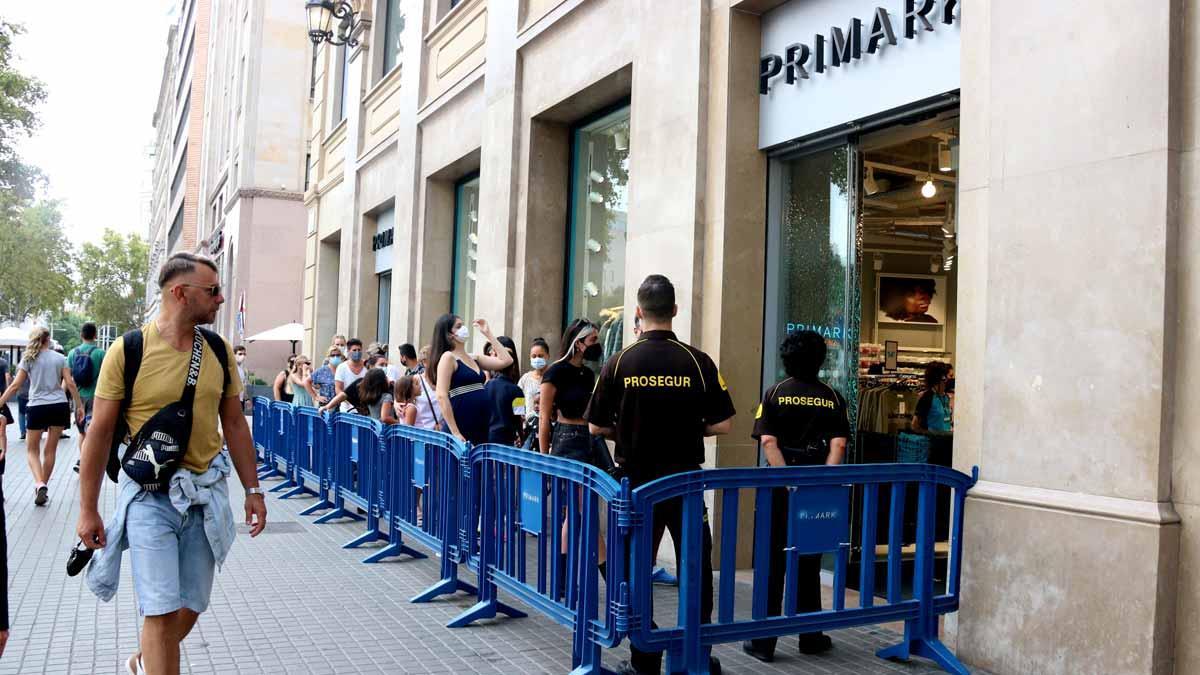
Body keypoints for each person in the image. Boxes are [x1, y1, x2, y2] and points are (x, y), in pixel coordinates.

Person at [75, 251, 266, 675]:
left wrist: (253, 490)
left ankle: (144, 659)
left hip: (204, 491)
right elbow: (99, 433)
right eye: (213, 291)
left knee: (192, 603)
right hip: (148, 497)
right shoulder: (129, 351)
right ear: (180, 293)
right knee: (159, 610)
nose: (220, 298)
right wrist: (87, 509)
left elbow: (234, 423)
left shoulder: (217, 350)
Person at [587, 274, 735, 675]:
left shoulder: (618, 362)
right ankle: (695, 654)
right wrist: (693, 428)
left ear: (638, 311)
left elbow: (596, 427)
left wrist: (629, 431)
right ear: (674, 310)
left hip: (636, 484)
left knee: (636, 569)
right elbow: (724, 424)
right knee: (696, 568)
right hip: (685, 482)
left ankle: (644, 657)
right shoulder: (698, 361)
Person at [742, 330, 848, 663]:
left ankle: (763, 643)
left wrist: (788, 480)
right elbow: (839, 445)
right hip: (815, 489)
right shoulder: (832, 396)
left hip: (779, 489)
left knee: (772, 562)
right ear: (820, 360)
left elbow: (768, 442)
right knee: (809, 561)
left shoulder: (774, 393)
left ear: (786, 359)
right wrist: (822, 480)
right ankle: (811, 636)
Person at [0, 327, 84, 506]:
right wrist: (79, 406)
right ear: (49, 339)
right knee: (50, 450)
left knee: (31, 450)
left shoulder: (29, 358)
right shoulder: (61, 358)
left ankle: (39, 484)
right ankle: (42, 486)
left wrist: (0, 402)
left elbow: (15, 386)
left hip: (37, 406)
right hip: (59, 405)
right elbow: (70, 383)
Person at [429, 314, 511, 444]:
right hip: (461, 426)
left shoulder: (474, 357)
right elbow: (441, 395)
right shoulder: (448, 357)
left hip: (480, 426)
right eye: (459, 326)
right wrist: (455, 432)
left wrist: (488, 334)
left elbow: (507, 360)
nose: (464, 328)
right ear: (449, 334)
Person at [539, 321, 602, 462]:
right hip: (566, 437)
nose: (597, 344)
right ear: (578, 344)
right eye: (593, 340)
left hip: (590, 437)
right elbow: (544, 417)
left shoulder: (588, 374)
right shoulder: (555, 372)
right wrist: (544, 458)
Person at [68, 322, 106, 473]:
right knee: (92, 431)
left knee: (82, 432)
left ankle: (82, 459)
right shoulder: (101, 354)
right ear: (95, 335)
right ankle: (84, 460)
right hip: (96, 397)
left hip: (78, 399)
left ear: (81, 335)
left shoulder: (72, 353)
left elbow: (68, 378)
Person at [485, 336, 525, 445]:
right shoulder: (517, 391)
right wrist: (521, 436)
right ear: (513, 366)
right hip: (506, 440)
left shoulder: (487, 386)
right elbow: (519, 417)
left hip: (487, 438)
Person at [321, 367, 393, 422]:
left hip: (371, 425)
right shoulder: (386, 396)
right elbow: (343, 395)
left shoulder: (370, 394)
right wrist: (327, 406)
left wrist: (327, 406)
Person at [913, 361, 953, 433]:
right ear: (941, 378)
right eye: (949, 376)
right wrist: (930, 435)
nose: (950, 379)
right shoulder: (927, 397)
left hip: (946, 441)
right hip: (933, 441)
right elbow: (915, 425)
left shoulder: (946, 397)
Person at [517, 337, 549, 418]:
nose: (537, 359)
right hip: (529, 426)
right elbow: (517, 400)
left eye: (540, 356)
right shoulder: (525, 379)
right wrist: (520, 419)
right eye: (534, 356)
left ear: (548, 356)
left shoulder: (553, 376)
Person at [334, 339, 367, 411]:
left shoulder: (367, 366)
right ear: (348, 351)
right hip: (346, 409)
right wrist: (348, 401)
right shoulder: (342, 367)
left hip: (365, 409)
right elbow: (338, 389)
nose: (357, 352)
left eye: (359, 350)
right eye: (354, 350)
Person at [411, 364, 443, 432]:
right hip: (424, 432)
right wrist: (397, 404)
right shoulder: (417, 380)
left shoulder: (447, 378)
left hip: (444, 431)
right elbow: (402, 394)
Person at [233, 345, 249, 411]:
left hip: (240, 401)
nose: (242, 356)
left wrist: (247, 399)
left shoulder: (241, 370)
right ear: (234, 355)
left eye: (244, 354)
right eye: (240, 354)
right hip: (233, 401)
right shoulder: (231, 368)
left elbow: (243, 386)